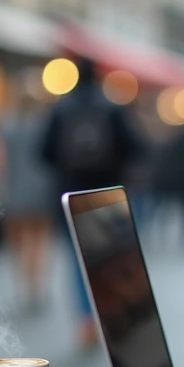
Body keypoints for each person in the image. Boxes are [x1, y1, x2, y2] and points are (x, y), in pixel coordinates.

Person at [41, 56, 143, 347]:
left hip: (69, 194)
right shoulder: (112, 107)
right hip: (107, 194)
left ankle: (86, 320)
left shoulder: (60, 108)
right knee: (109, 258)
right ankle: (111, 317)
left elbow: (44, 151)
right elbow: (135, 147)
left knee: (77, 259)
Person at [0, 85, 54, 312]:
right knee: (40, 240)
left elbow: (2, 164)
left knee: (19, 243)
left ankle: (25, 284)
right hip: (42, 190)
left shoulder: (7, 127)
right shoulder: (44, 127)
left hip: (15, 190)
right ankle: (36, 286)